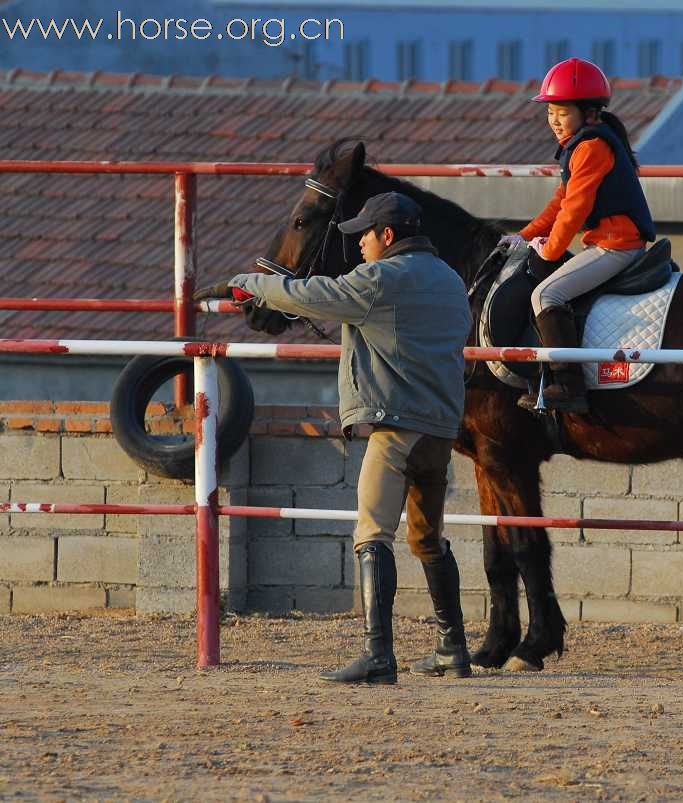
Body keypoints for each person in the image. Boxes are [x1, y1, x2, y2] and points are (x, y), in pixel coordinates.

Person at [194, 192, 474, 683]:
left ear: (388, 236)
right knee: (428, 538)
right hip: (440, 431)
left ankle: (378, 655)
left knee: (371, 533)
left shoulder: (381, 278)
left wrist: (248, 284)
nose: (360, 244)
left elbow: (309, 295)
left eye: (365, 234)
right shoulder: (450, 280)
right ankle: (453, 647)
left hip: (395, 426)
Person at [498, 57, 656, 414]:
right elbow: (560, 202)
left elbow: (574, 212)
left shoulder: (591, 147)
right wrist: (523, 237)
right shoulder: (581, 145)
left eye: (563, 112)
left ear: (589, 113)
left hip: (616, 246)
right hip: (606, 242)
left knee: (546, 295)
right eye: (551, 111)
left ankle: (569, 385)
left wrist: (547, 254)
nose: (554, 120)